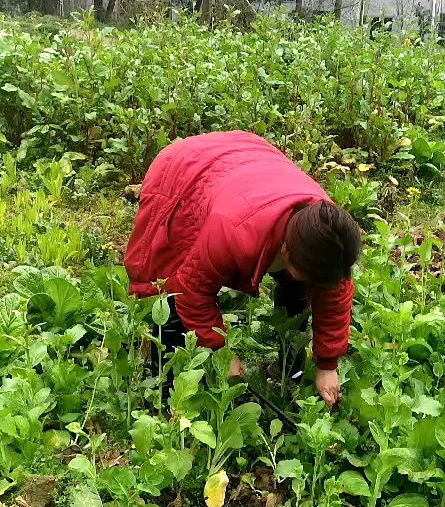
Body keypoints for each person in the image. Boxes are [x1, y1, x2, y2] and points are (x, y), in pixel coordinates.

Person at [125, 131, 362, 408]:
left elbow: (335, 293)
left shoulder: (328, 233)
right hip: (185, 169)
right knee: (169, 286)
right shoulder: (231, 232)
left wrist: (327, 365)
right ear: (285, 251)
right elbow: (191, 291)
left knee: (303, 282)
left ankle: (289, 370)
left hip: (249, 161)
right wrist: (219, 349)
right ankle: (165, 390)